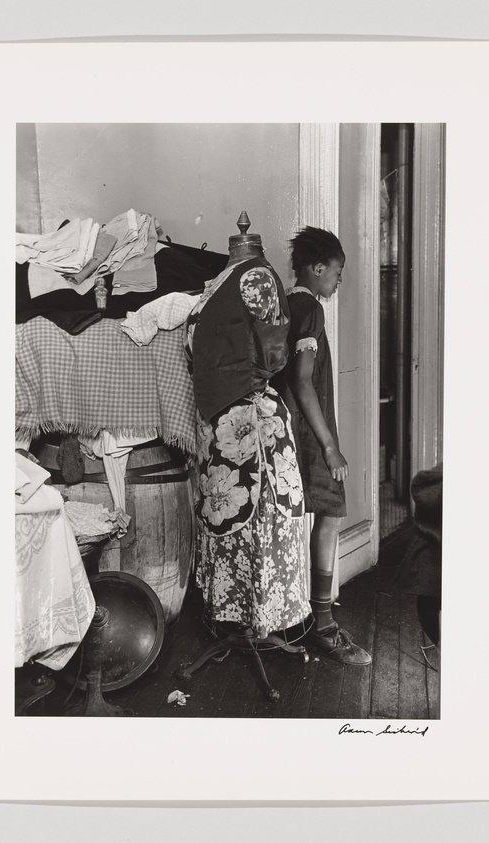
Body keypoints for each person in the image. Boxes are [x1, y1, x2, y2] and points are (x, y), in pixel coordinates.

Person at [186, 214, 309, 641]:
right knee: (226, 516)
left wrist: (244, 388)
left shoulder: (258, 278)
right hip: (220, 427)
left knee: (254, 520)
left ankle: (262, 621)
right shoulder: (222, 279)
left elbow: (274, 355)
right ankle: (238, 618)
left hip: (250, 424)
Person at [277, 226, 372, 665]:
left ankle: (314, 618)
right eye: (336, 273)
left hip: (290, 428)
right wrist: (330, 446)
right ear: (317, 269)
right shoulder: (310, 308)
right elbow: (301, 381)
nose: (338, 282)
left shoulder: (289, 303)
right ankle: (324, 626)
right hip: (308, 432)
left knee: (317, 517)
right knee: (332, 515)